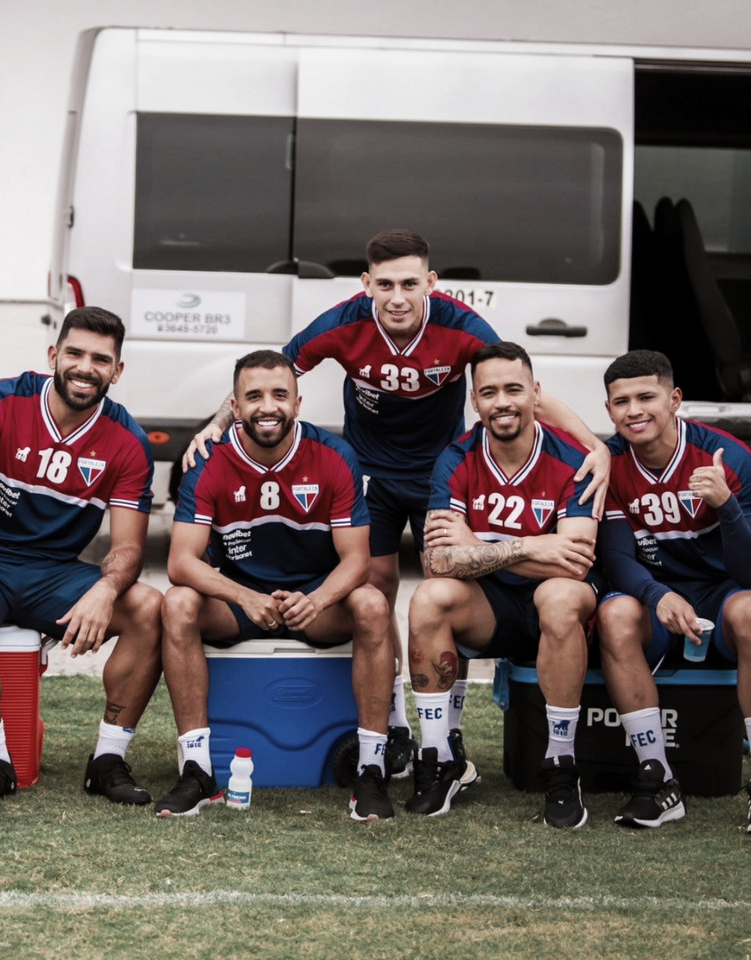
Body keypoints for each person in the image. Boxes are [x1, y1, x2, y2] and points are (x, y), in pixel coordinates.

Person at [185, 229, 609, 782]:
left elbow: (516, 385)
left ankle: (447, 736)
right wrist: (218, 424)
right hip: (371, 474)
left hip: (442, 472)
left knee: (446, 584)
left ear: (430, 283)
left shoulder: (463, 328)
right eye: (385, 284)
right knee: (377, 592)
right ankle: (394, 724)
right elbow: (273, 375)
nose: (398, 296)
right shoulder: (343, 322)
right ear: (367, 285)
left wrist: (593, 443)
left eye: (410, 283)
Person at [0, 306, 162, 808]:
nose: (86, 367)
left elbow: (128, 546)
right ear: (53, 355)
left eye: (101, 359)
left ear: (117, 371)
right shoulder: (0, 401)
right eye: (75, 353)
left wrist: (105, 592)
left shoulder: (129, 441)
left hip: (54, 574)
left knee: (150, 607)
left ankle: (107, 760)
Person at [162, 350, 394, 820]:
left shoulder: (333, 454)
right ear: (235, 404)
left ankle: (371, 770)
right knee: (178, 604)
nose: (267, 406)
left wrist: (319, 598)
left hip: (314, 602)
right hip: (239, 602)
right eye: (254, 396)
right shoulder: (209, 459)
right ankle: (198, 770)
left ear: (298, 402)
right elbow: (181, 562)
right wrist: (244, 596)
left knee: (371, 603)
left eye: (279, 394)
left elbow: (357, 561)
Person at [404, 342, 600, 828]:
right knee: (430, 598)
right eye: (488, 392)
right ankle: (440, 759)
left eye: (514, 389)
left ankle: (561, 764)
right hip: (490, 609)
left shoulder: (574, 458)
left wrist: (475, 546)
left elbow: (574, 562)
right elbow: (436, 560)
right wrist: (530, 547)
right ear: (474, 401)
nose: (502, 402)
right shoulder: (456, 457)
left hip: (555, 609)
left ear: (535, 393)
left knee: (559, 595)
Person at [596, 350, 751, 830]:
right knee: (615, 616)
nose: (634, 410)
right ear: (608, 410)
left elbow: (748, 573)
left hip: (723, 595)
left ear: (675, 399)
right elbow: (617, 557)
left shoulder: (729, 455)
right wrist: (656, 594)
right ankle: (659, 780)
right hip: (655, 598)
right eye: (621, 401)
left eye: (647, 396)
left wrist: (726, 506)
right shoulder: (610, 462)